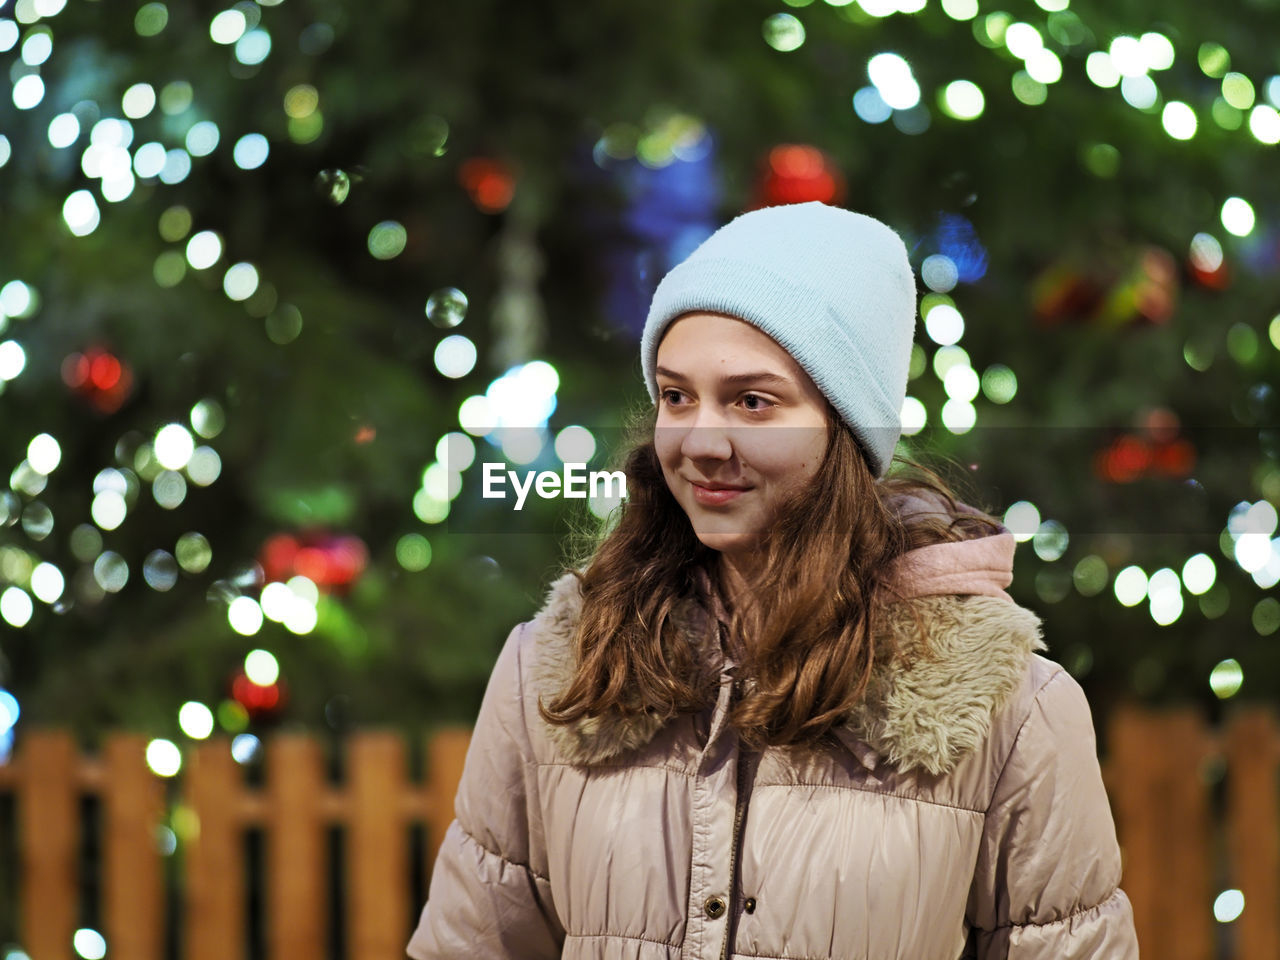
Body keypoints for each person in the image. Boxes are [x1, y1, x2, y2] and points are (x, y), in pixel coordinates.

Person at [406, 201, 1140, 959]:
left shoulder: (1009, 707)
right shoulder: (558, 669)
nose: (701, 440)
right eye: (676, 395)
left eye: (753, 402)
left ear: (844, 426)